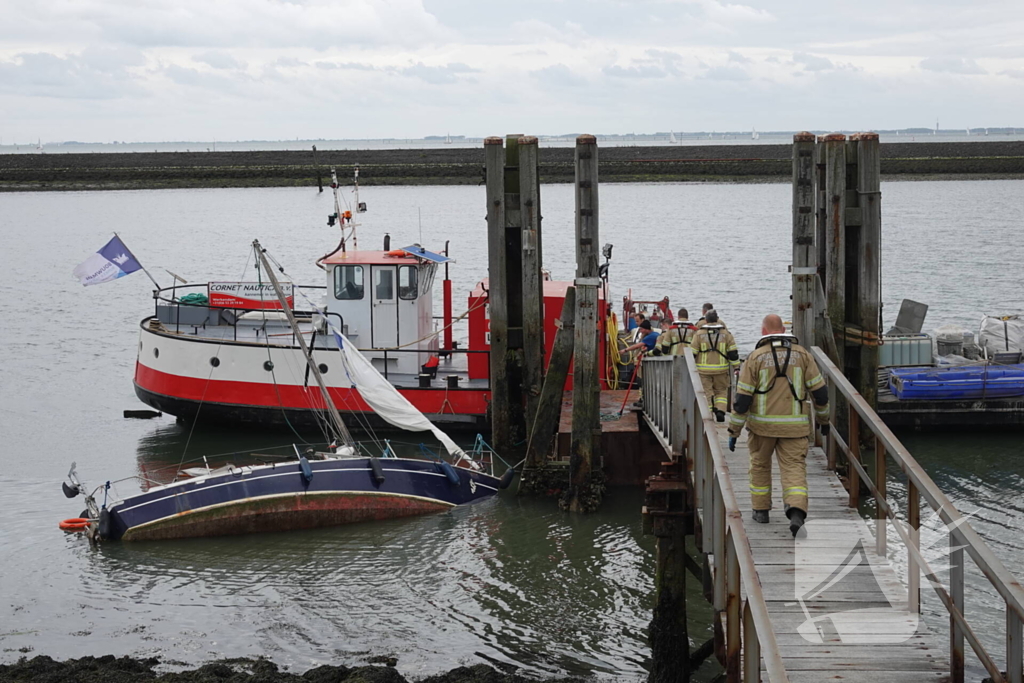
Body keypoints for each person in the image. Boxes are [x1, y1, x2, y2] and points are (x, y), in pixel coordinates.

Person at [727, 314, 830, 537]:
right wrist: (824, 421)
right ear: (783, 330)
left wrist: (734, 431)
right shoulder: (803, 356)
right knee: (794, 469)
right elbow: (820, 394)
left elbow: (742, 400)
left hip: (761, 428)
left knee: (760, 466)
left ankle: (761, 511)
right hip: (795, 429)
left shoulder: (754, 358)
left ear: (764, 332)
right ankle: (796, 511)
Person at [689, 310, 738, 421]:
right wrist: (737, 367)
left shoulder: (699, 334)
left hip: (703, 370)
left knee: (707, 392)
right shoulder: (726, 334)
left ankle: (708, 415)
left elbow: (692, 353)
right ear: (717, 319)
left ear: (706, 320)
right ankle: (720, 411)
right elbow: (733, 353)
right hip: (721, 370)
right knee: (721, 391)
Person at [623, 320, 660, 408]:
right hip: (653, 362)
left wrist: (625, 350)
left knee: (641, 381)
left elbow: (638, 345)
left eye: (641, 329)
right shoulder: (654, 335)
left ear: (646, 329)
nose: (640, 331)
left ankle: (643, 399)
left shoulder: (649, 337)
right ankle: (643, 398)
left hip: (648, 363)